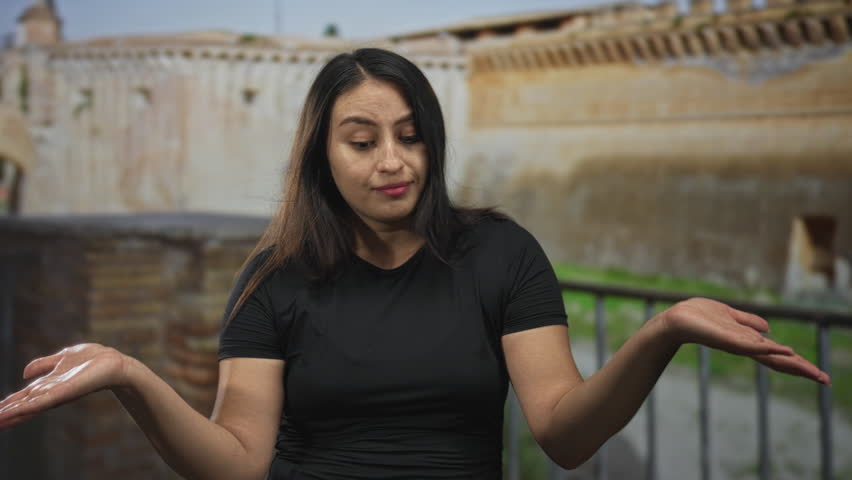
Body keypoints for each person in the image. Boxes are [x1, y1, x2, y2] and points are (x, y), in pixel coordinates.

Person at [0, 48, 830, 480]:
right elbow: (239, 462)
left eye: (410, 135)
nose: (392, 161)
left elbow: (564, 436)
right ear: (322, 156)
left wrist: (661, 333)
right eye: (362, 141)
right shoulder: (275, 278)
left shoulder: (502, 253)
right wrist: (132, 378)